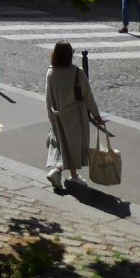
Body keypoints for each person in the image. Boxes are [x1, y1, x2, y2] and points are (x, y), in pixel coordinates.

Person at [45, 41, 105, 190]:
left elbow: (48, 97)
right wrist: (97, 116)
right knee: (74, 146)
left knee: (61, 145)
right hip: (75, 116)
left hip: (58, 114)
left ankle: (71, 174)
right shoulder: (77, 72)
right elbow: (88, 96)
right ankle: (57, 171)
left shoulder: (51, 72)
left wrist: (51, 116)